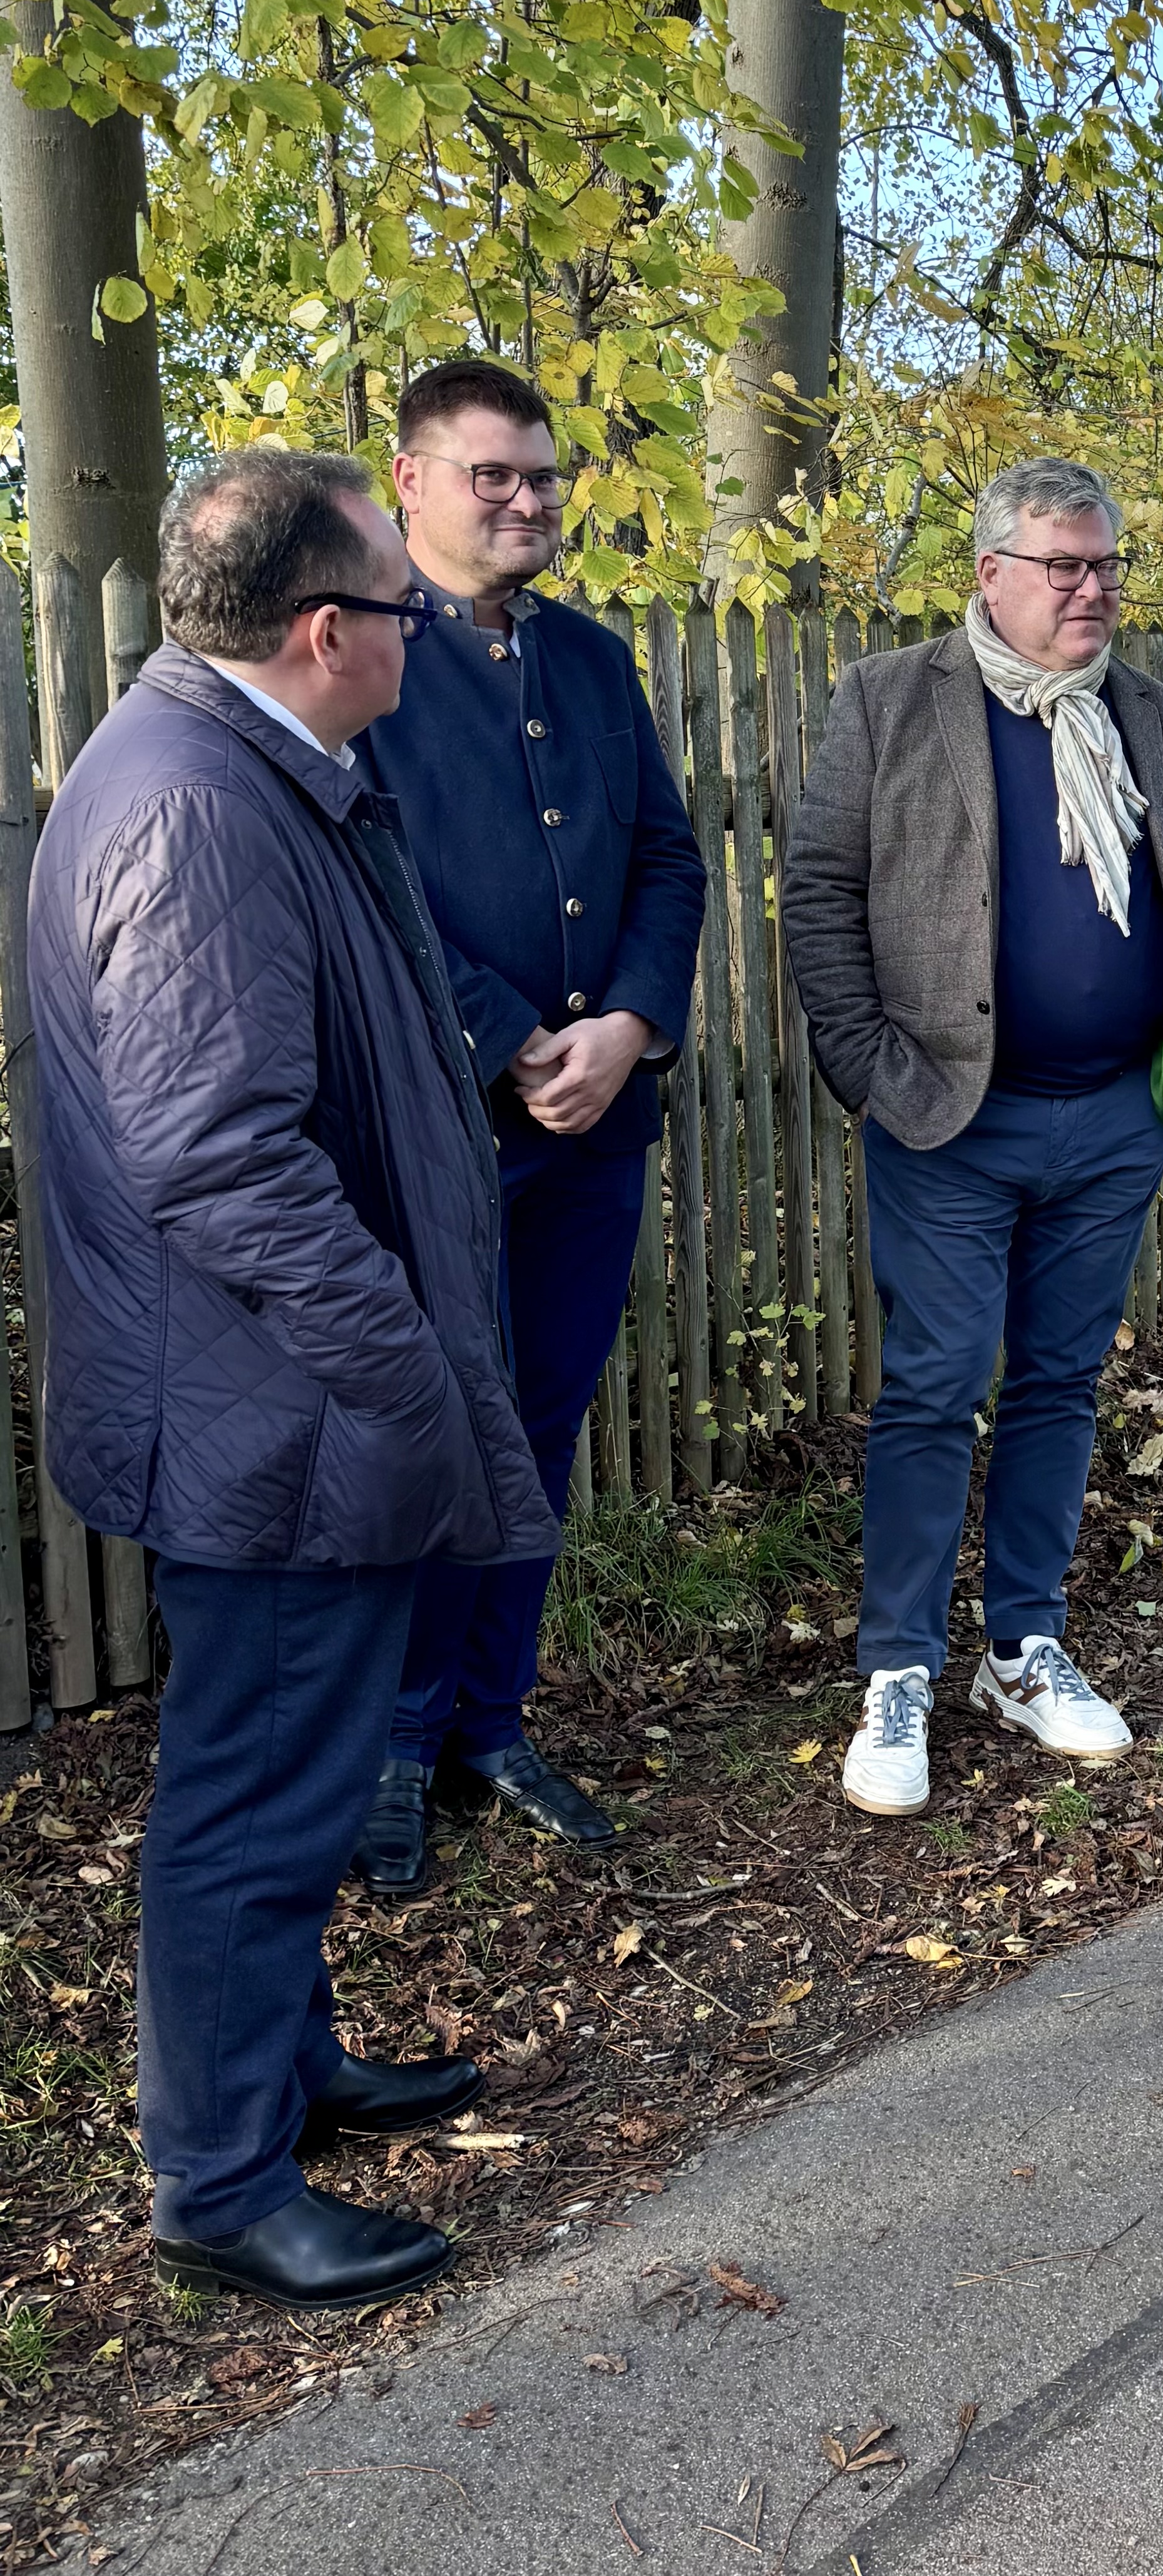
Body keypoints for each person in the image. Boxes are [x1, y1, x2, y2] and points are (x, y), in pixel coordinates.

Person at [28, 451, 555, 2307]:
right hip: (274, 1417)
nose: (424, 629)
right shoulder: (196, 808)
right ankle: (222, 2178)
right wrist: (399, 1366)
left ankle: (288, 2067)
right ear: (330, 632)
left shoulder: (247, 767)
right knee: (250, 1790)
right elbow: (217, 1152)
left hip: (287, 1403)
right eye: (400, 608)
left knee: (295, 1770)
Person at [780, 456, 1163, 1821]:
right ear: (992, 575)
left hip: (1110, 1123)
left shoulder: (1147, 714)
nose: (1094, 590)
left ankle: (1023, 1646)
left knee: (1060, 1380)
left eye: (1106, 567)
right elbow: (819, 890)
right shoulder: (891, 699)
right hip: (948, 1118)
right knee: (932, 1386)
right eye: (1065, 567)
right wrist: (870, 1071)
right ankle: (900, 1667)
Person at [349, 360, 707, 1892]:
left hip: (596, 1125)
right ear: (411, 481)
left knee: (545, 1422)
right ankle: (391, 1746)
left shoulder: (592, 659)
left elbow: (670, 860)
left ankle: (492, 1719)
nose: (526, 499)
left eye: (544, 475)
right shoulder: (363, 656)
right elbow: (374, 884)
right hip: (443, 1127)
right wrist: (515, 1043)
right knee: (440, 1432)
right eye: (492, 474)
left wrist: (626, 1028)